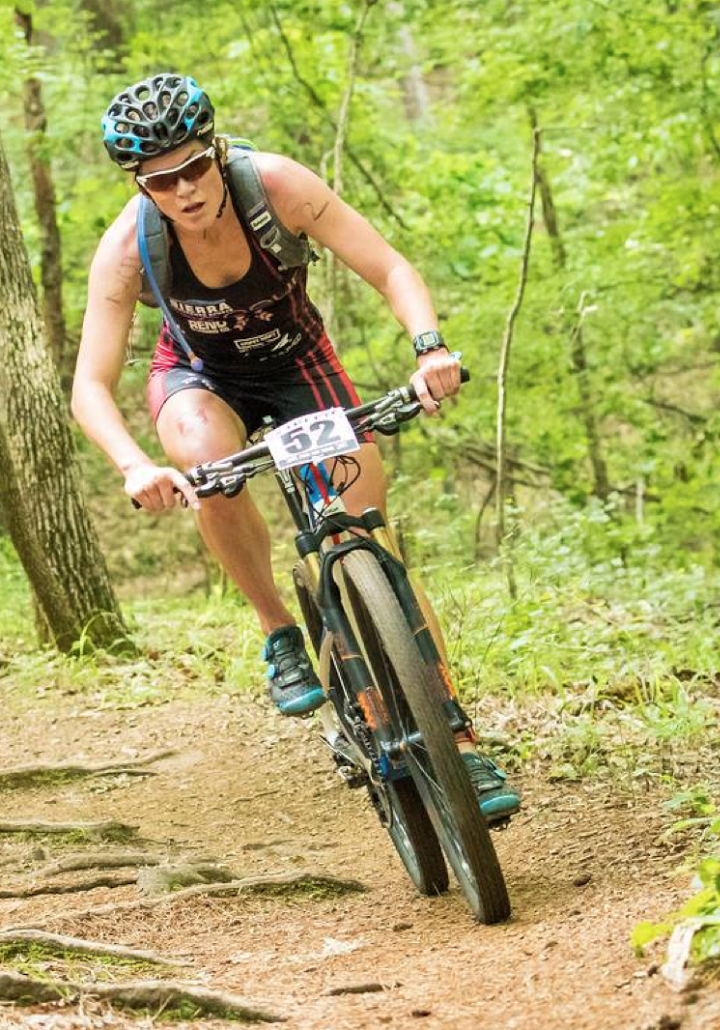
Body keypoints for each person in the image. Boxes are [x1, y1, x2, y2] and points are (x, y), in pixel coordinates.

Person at [70, 73, 519, 822]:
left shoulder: (275, 186)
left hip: (299, 365)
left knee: (375, 547)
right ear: (140, 185)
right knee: (206, 462)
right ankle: (279, 629)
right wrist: (134, 466)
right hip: (199, 376)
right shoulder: (127, 248)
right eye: (161, 180)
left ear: (217, 150)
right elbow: (90, 383)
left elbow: (389, 266)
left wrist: (430, 348)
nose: (184, 190)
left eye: (193, 167)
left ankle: (458, 740)